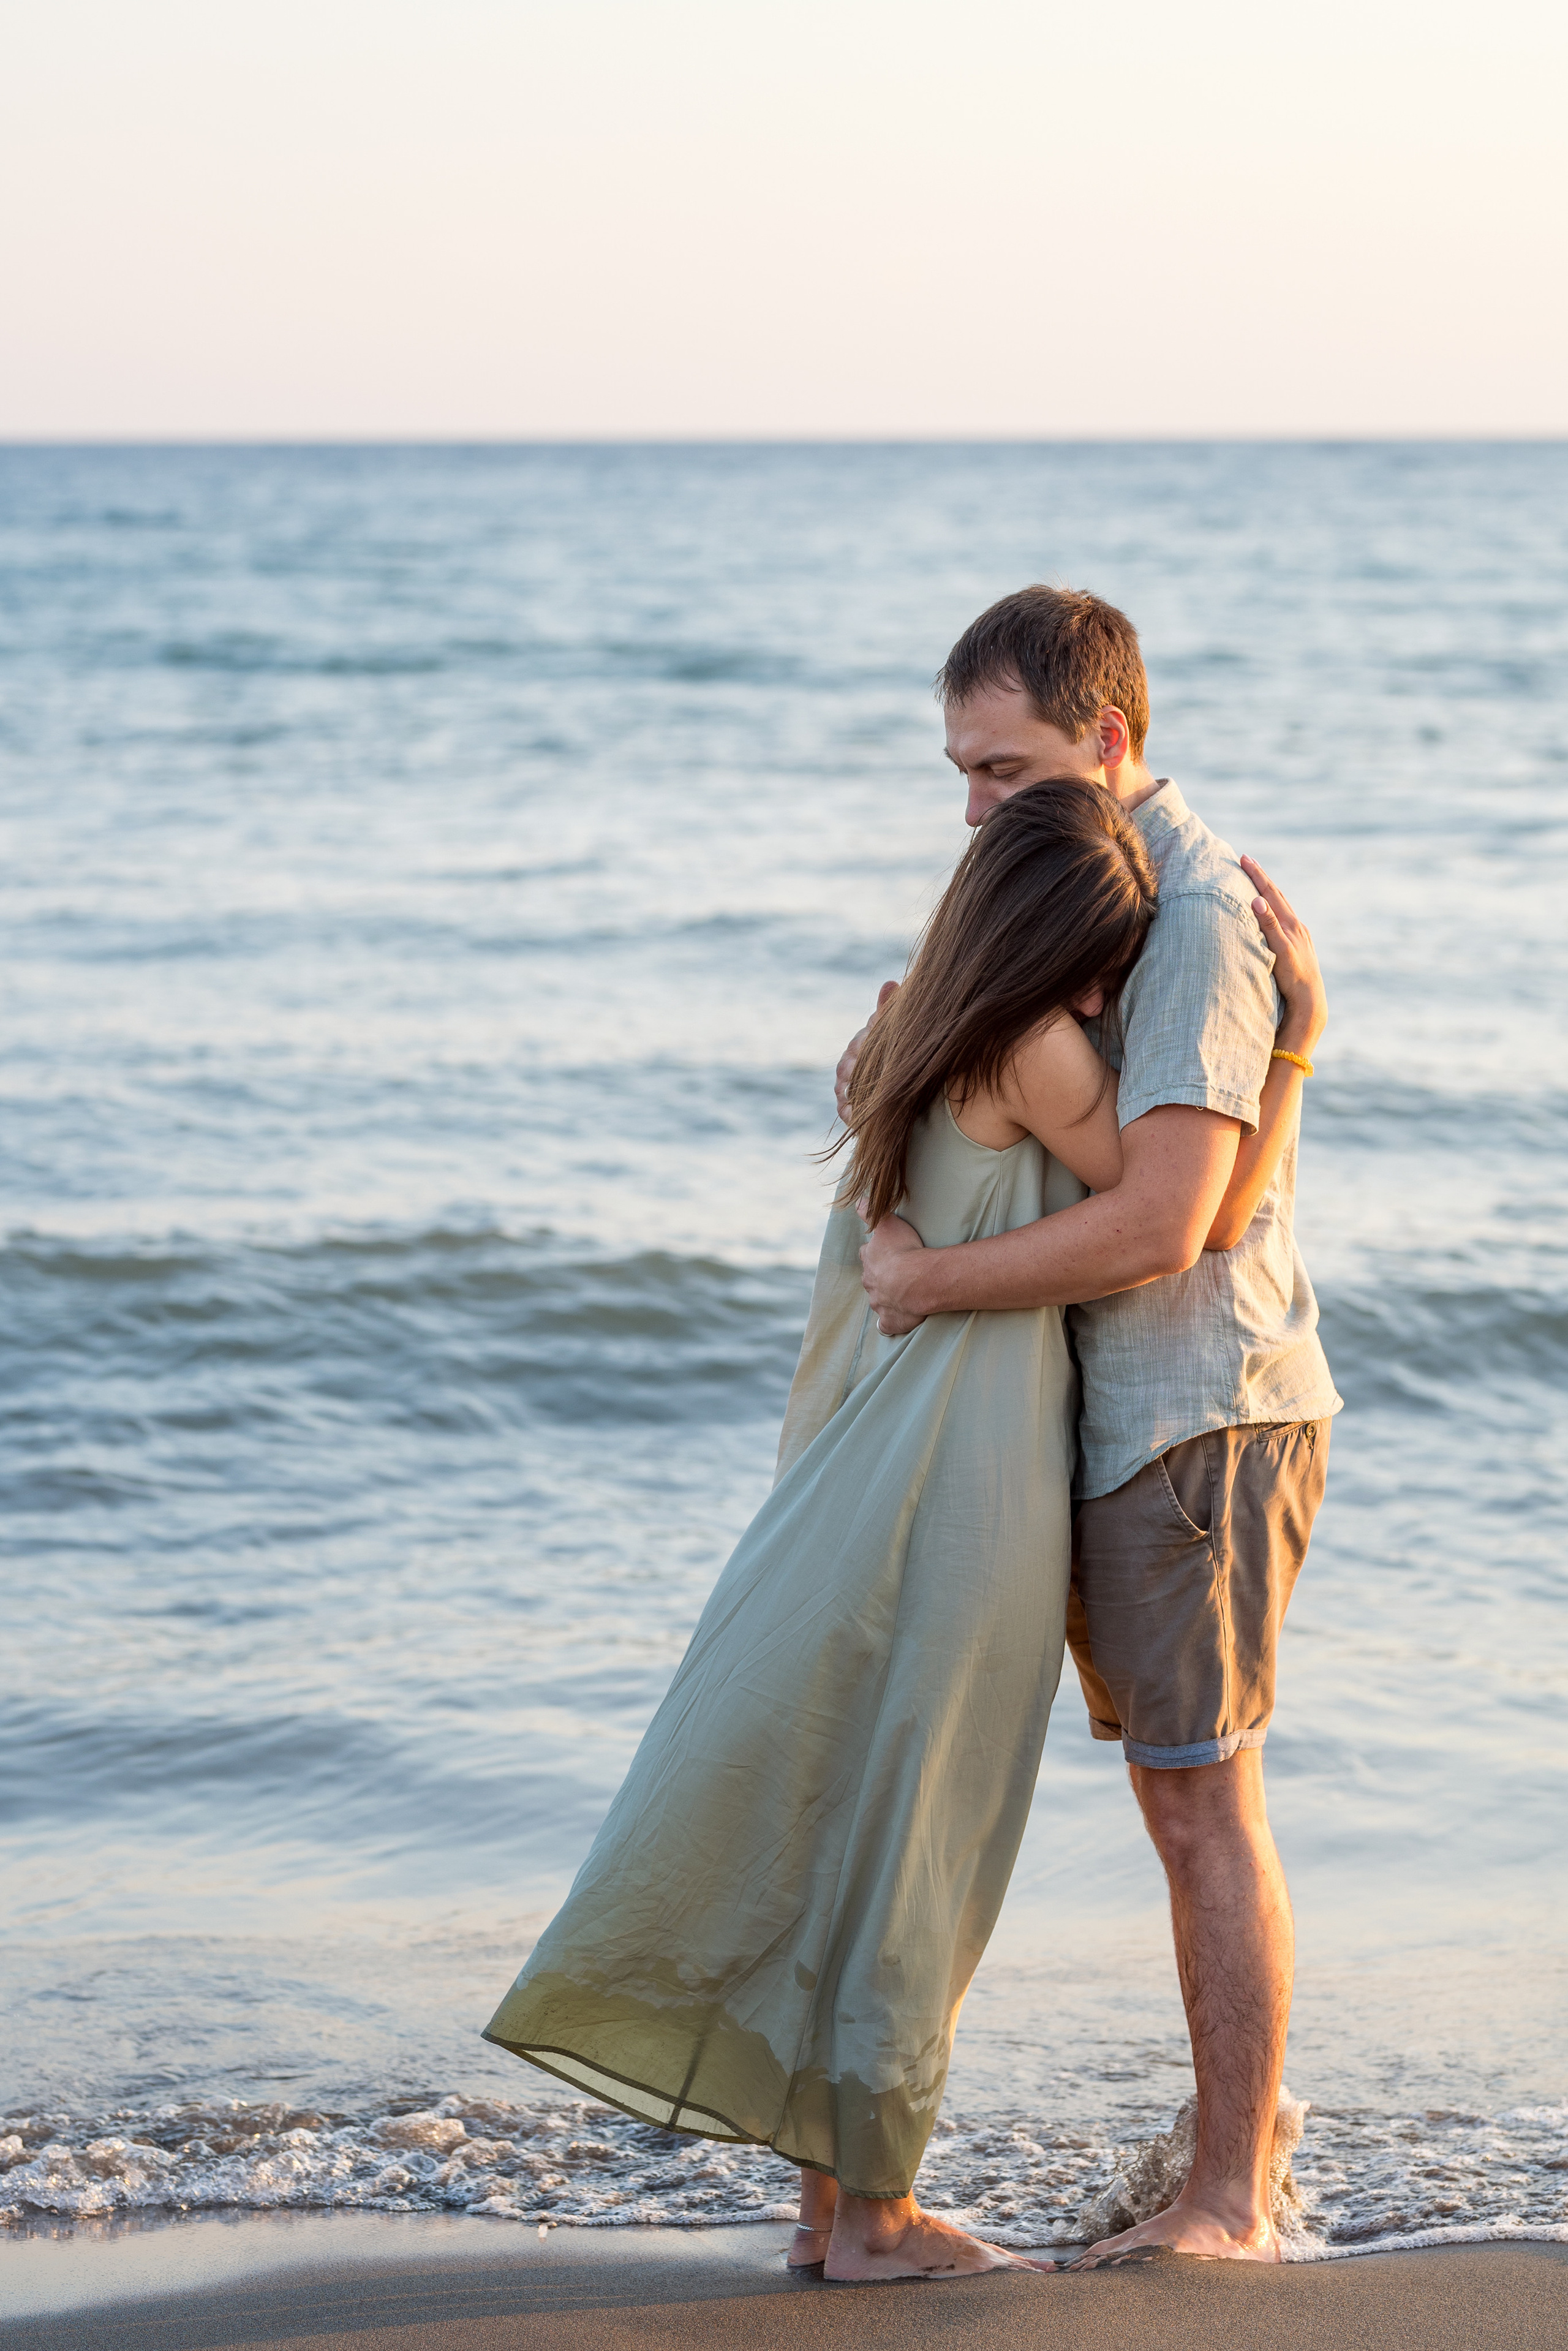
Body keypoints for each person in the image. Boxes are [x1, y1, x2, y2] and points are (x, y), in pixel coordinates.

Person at [484, 778, 1319, 2282]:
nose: (1105, 1001)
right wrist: (1293, 1052)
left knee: (854, 1814)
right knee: (926, 1838)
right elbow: (1179, 1222)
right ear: (1054, 952)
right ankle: (875, 2215)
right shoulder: (1037, 1047)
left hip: (859, 1462)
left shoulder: (904, 1034)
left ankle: (828, 2208)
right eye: (1101, 967)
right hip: (966, 1483)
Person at [848, 584, 1340, 2268]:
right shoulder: (1089, 886)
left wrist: (924, 1282)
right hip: (1123, 1419)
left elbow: (1168, 1222)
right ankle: (1230, 2153)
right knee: (1172, 1800)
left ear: (1108, 738)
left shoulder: (1192, 917)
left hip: (1196, 1419)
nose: (974, 807)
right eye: (961, 773)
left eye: (1002, 767)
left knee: (1201, 1802)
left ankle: (1229, 2201)